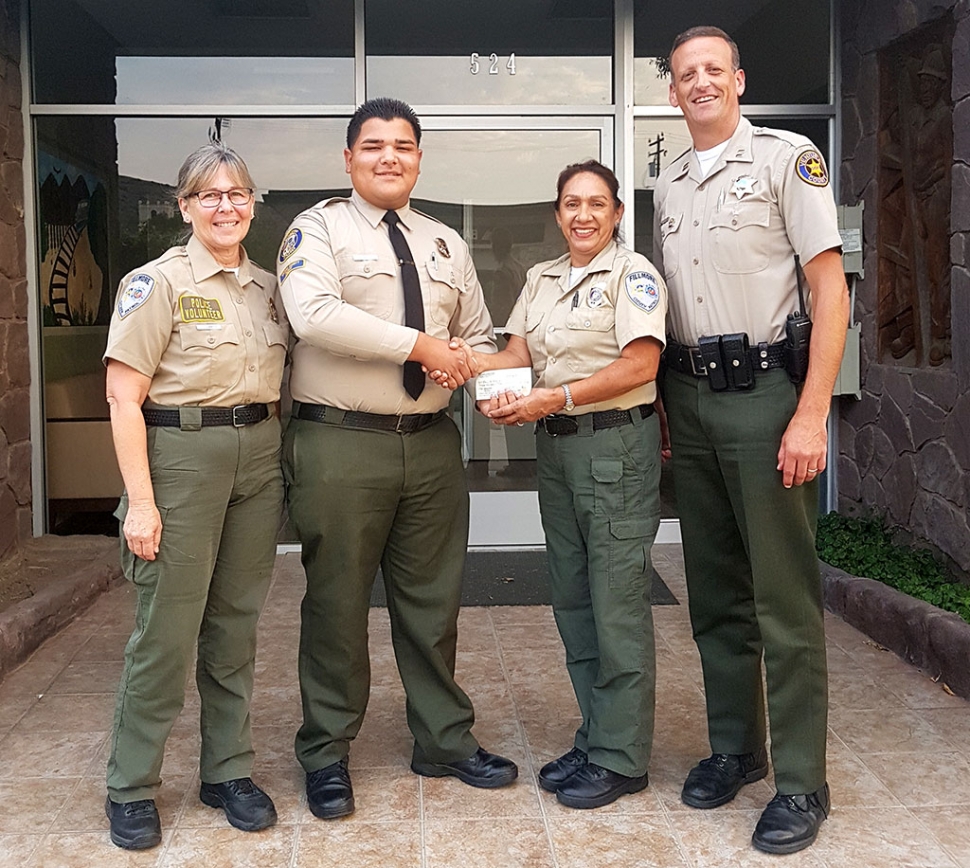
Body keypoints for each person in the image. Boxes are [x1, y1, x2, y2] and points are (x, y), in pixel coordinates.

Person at [277, 97, 517, 822]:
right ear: (348, 159)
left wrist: (464, 365)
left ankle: (443, 739)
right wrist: (419, 348)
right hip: (340, 443)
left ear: (419, 158)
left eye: (404, 146)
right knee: (337, 604)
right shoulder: (314, 228)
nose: (390, 157)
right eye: (374, 145)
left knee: (433, 603)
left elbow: (473, 332)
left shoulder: (446, 243)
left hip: (431, 447)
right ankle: (325, 751)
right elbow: (312, 315)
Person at [653, 26, 849, 854]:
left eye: (712, 70)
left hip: (769, 396)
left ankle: (803, 783)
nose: (699, 83)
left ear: (739, 79)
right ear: (671, 92)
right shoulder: (666, 182)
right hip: (691, 399)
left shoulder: (785, 158)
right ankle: (737, 748)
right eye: (684, 74)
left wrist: (812, 414)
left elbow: (830, 291)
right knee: (715, 594)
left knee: (784, 600)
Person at [446, 160, 667, 809]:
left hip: (614, 450)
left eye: (597, 203)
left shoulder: (634, 275)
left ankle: (623, 756)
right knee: (573, 600)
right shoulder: (542, 278)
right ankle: (597, 735)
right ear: (557, 212)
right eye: (572, 203)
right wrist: (457, 363)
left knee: (617, 603)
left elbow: (641, 363)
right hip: (560, 454)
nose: (583, 215)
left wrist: (558, 397)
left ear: (618, 214)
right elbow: (516, 357)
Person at [103, 142, 287, 849]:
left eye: (237, 194)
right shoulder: (158, 283)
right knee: (167, 634)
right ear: (184, 206)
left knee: (235, 627)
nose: (225, 207)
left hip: (258, 456)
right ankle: (131, 784)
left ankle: (228, 771)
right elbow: (123, 398)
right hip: (179, 459)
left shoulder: (268, 289)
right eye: (209, 195)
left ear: (252, 204)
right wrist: (141, 502)